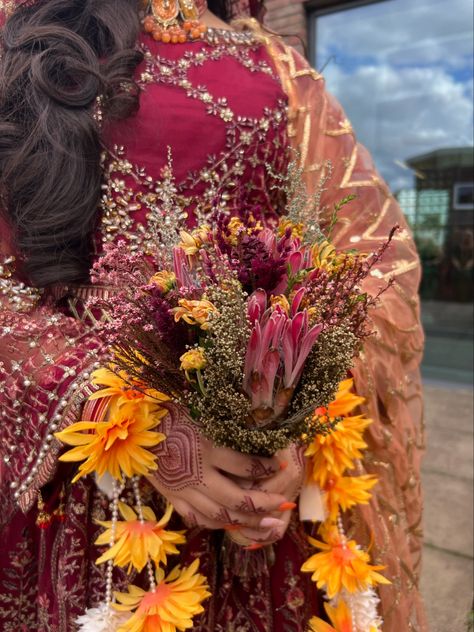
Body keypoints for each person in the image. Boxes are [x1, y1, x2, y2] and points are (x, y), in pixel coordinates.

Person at [0, 1, 427, 630]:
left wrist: (297, 404)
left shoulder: (283, 69)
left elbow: (373, 261)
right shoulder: (30, 34)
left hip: (268, 478)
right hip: (95, 476)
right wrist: (126, 418)